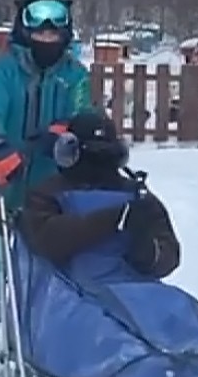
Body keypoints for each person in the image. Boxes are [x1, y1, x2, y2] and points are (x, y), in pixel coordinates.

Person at [0, 0, 92, 373]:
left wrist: (64, 132)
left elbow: (84, 112)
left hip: (50, 187)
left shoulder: (75, 74)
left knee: (44, 266)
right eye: (39, 29)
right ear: (25, 29)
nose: (47, 36)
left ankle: (38, 350)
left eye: (55, 30)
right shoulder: (6, 68)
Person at [19, 110, 181, 278]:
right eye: (89, 156)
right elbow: (47, 242)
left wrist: (145, 249)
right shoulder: (49, 194)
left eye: (104, 156)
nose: (95, 164)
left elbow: (168, 256)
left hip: (130, 288)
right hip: (64, 289)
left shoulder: (136, 196)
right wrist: (115, 219)